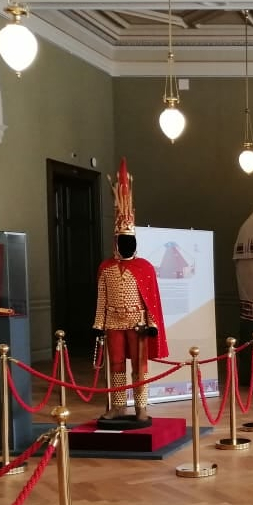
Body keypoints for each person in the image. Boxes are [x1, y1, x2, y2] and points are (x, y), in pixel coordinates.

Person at [93, 157, 168, 423]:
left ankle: (141, 408)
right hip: (113, 321)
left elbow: (151, 300)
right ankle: (117, 406)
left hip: (138, 322)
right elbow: (102, 298)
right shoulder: (105, 268)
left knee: (139, 366)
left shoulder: (144, 267)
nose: (127, 245)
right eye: (123, 241)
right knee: (116, 365)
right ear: (116, 242)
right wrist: (98, 323)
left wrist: (152, 324)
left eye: (130, 241)